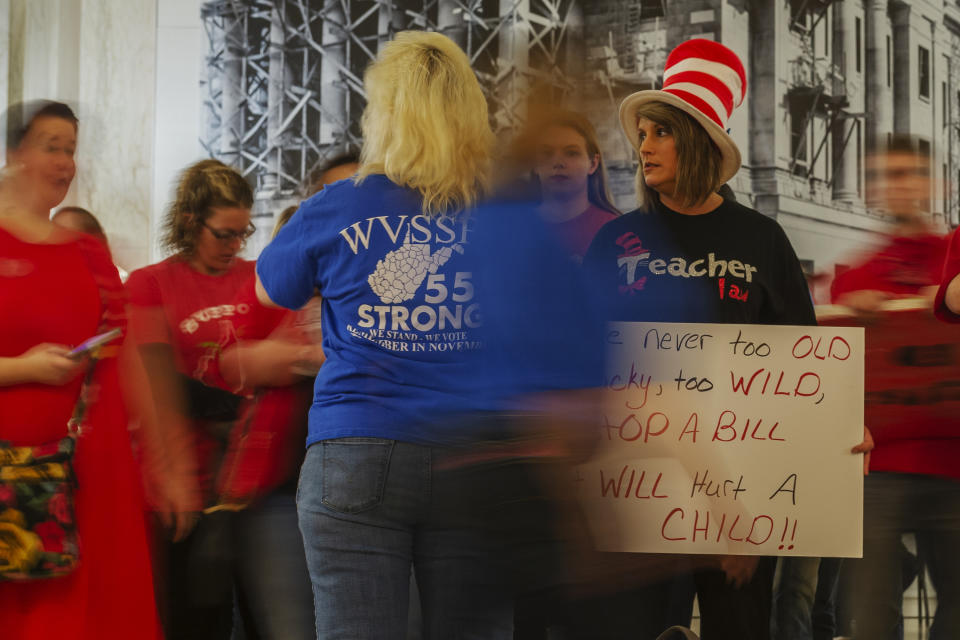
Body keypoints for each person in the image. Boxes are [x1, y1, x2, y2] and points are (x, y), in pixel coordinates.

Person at [583, 39, 867, 640]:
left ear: (698, 143)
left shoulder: (762, 240)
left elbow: (805, 368)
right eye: (644, 133)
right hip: (636, 492)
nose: (645, 145)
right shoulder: (615, 243)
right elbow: (583, 359)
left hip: (740, 499)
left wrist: (845, 428)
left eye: (662, 132)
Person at [254, 31, 515, 638]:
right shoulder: (505, 215)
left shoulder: (337, 205)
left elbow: (270, 290)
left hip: (356, 445)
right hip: (473, 452)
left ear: (384, 115)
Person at [0, 100, 160, 638]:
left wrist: (164, 455)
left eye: (70, 149)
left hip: (79, 479)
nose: (66, 162)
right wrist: (19, 369)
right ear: (16, 153)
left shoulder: (88, 253)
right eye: (52, 146)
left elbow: (125, 359)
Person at [126, 158, 256, 639]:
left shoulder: (260, 276)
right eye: (225, 233)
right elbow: (162, 389)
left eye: (245, 232)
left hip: (250, 484)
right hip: (187, 484)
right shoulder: (150, 282)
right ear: (189, 222)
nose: (236, 245)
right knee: (194, 624)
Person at [839, 136, 959, 640]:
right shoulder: (854, 275)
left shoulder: (951, 258)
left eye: (911, 172)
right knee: (870, 617)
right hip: (877, 467)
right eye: (889, 175)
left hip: (953, 462)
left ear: (935, 182)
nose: (901, 185)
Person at [516, 108, 620, 260]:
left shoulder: (615, 231)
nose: (558, 163)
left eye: (571, 153)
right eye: (547, 153)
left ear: (593, 163)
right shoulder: (514, 229)